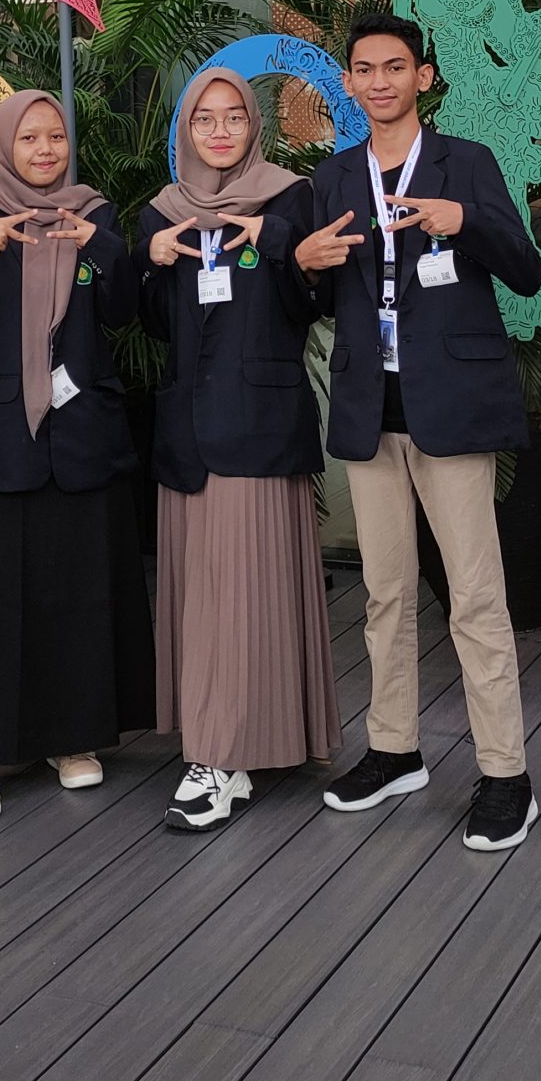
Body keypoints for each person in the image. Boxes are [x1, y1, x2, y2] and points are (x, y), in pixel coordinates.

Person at [296, 12, 541, 849]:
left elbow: (526, 271)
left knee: (474, 598)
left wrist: (463, 221)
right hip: (371, 409)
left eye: (395, 67)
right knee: (386, 594)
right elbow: (318, 297)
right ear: (349, 83)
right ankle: (394, 749)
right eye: (365, 70)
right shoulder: (333, 178)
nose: (380, 82)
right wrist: (305, 269)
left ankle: (506, 774)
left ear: (423, 77)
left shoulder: (465, 164)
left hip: (453, 408)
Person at [0, 90, 153, 818]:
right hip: (1, 438)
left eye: (55, 137)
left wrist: (98, 247)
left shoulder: (96, 214)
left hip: (81, 434)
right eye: (29, 138)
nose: (46, 150)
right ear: (4, 146)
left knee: (76, 591)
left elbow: (123, 312)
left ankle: (72, 737)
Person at [139, 68, 341, 830]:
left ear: (255, 126)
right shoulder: (163, 211)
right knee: (208, 600)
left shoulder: (288, 198)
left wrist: (275, 240)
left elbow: (316, 300)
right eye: (204, 120)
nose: (219, 132)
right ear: (186, 131)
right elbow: (154, 322)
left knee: (245, 596)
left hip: (258, 423)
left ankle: (221, 757)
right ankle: (228, 744)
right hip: (189, 431)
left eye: (233, 118)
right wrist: (151, 262)